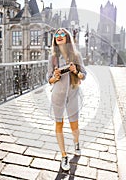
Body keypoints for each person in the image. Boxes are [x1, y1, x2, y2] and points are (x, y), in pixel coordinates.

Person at [47, 28, 86, 171]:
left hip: (73, 93)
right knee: (59, 124)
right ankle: (63, 155)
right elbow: (48, 79)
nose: (59, 36)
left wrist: (76, 71)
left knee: (74, 125)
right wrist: (55, 77)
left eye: (62, 34)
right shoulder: (52, 58)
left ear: (67, 37)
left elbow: (84, 74)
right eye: (56, 34)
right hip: (58, 94)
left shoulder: (76, 55)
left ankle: (76, 143)